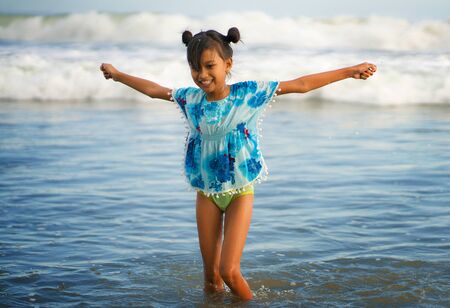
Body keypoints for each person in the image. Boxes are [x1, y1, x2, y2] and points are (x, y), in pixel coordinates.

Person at [100, 27, 376, 301]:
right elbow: (153, 90)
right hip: (207, 194)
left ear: (227, 64)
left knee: (229, 271)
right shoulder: (190, 98)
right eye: (195, 68)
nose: (202, 75)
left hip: (239, 193)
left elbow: (301, 85)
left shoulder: (249, 93)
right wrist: (118, 75)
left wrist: (350, 71)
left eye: (210, 66)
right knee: (210, 279)